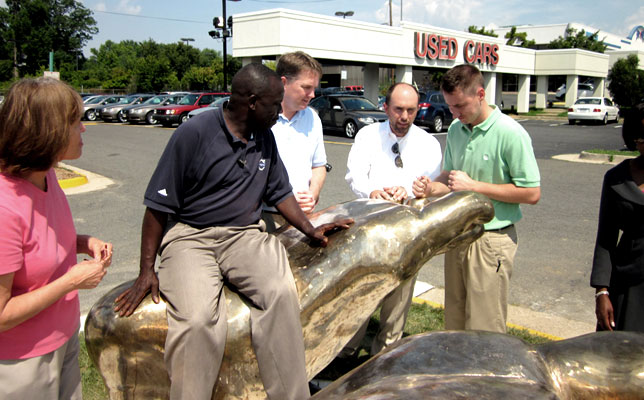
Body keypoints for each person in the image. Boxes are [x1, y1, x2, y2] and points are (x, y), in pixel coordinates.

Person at [113, 63, 352, 400]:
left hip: (245, 236)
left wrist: (309, 229)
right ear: (252, 102)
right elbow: (157, 206)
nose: (277, 112)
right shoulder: (194, 133)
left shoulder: (264, 137)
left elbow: (280, 192)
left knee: (280, 295)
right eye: (273, 104)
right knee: (197, 322)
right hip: (191, 237)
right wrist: (145, 271)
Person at [0, 77, 113, 398]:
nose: (84, 129)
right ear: (48, 131)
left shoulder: (45, 175)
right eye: (76, 121)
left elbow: (38, 239)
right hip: (22, 361)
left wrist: (83, 242)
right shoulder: (4, 207)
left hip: (62, 340)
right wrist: (70, 281)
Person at [420, 64, 540, 333]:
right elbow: (450, 177)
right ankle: (461, 374)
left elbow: (531, 193)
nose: (455, 113)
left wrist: (475, 187)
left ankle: (486, 376)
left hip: (491, 240)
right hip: (458, 235)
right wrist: (430, 188)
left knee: (485, 326)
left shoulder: (511, 133)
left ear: (480, 94)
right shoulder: (455, 129)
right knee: (456, 319)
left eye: (460, 106)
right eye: (450, 106)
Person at [344, 82, 445, 355]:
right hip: (369, 225)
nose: (404, 117)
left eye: (411, 110)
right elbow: (355, 175)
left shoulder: (428, 144)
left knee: (400, 291)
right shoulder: (367, 136)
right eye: (398, 109)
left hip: (406, 228)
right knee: (361, 288)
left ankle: (387, 350)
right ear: (385, 107)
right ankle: (347, 347)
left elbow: (432, 185)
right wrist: (373, 191)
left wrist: (410, 191)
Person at [591, 103, 644, 332]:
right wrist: (602, 291)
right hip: (627, 284)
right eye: (642, 138)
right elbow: (606, 237)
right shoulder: (616, 178)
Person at [262, 51, 327, 232]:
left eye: (314, 88)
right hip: (265, 218)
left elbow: (319, 166)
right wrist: (283, 200)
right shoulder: (261, 118)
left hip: (304, 217)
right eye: (306, 87)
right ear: (284, 83)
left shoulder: (313, 118)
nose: (312, 94)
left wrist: (313, 194)